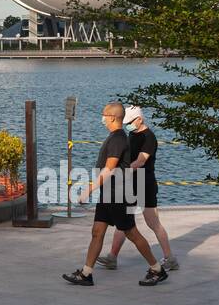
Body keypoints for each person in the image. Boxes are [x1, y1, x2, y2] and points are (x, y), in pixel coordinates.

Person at [62, 102, 168, 287]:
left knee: (132, 233)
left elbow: (110, 168)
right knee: (97, 232)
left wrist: (88, 190)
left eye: (104, 115)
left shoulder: (119, 138)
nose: (102, 119)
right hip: (108, 194)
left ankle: (157, 269)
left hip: (119, 194)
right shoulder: (114, 137)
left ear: (112, 117)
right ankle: (86, 273)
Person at [97, 106, 178, 272]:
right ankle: (112, 257)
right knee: (124, 220)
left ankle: (170, 258)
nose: (127, 126)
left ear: (139, 120)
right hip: (129, 183)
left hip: (144, 184)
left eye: (130, 123)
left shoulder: (149, 138)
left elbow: (141, 161)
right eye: (126, 123)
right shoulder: (131, 135)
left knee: (152, 222)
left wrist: (120, 171)